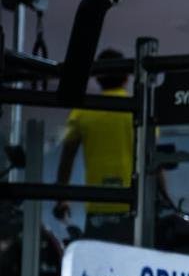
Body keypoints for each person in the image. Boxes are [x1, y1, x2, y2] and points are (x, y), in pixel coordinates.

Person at [53, 48, 169, 243]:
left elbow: (67, 159)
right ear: (127, 77)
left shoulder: (84, 111)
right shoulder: (139, 109)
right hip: (135, 204)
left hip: (98, 205)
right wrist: (166, 199)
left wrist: (61, 198)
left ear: (97, 78)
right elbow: (154, 161)